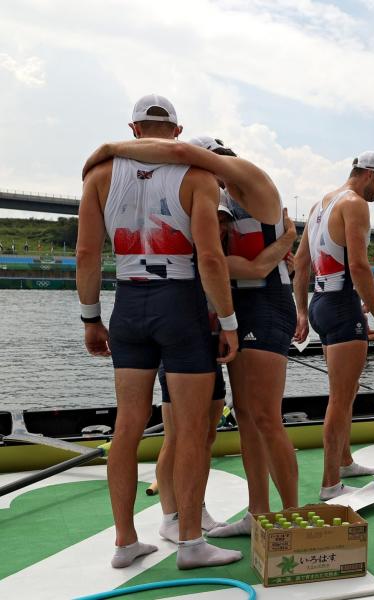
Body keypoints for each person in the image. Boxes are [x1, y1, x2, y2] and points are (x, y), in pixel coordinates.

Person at [85, 134, 301, 537]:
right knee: (246, 421)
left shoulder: (250, 179)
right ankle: (257, 513)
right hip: (228, 310)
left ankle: (290, 516)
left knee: (265, 417)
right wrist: (283, 246)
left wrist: (108, 150)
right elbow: (215, 263)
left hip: (265, 306)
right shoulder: (215, 196)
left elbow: (238, 266)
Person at [77, 94, 240, 569]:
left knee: (127, 428)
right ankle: (191, 542)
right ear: (177, 133)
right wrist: (227, 323)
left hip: (128, 302)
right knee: (190, 430)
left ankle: (125, 542)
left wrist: (91, 317)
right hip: (181, 305)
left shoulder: (99, 176)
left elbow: (87, 255)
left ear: (133, 129)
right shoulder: (199, 176)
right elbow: (210, 258)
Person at [293, 151, 374, 500]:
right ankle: (330, 485)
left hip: (322, 302)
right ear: (368, 174)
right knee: (339, 399)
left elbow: (301, 262)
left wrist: (303, 313)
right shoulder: (355, 204)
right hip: (342, 305)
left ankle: (345, 460)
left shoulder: (320, 205)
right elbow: (359, 265)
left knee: (347, 391)